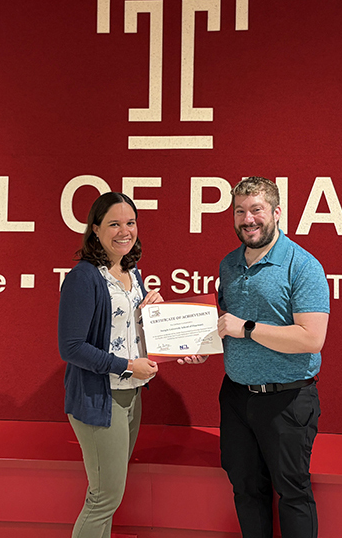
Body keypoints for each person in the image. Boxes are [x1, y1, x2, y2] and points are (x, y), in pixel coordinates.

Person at [58, 191, 204, 537]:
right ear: (95, 229)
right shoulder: (84, 277)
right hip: (100, 398)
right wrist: (126, 365)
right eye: (114, 224)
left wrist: (154, 319)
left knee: (107, 494)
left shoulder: (131, 272)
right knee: (105, 496)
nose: (125, 231)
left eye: (130, 222)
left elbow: (125, 331)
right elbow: (72, 347)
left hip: (130, 397)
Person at [214, 176, 330, 538]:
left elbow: (312, 338)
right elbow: (222, 327)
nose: (248, 219)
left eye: (257, 210)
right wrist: (194, 348)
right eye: (240, 212)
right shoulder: (229, 265)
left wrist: (247, 328)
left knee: (293, 494)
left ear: (276, 213)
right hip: (236, 398)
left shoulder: (303, 265)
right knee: (246, 490)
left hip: (288, 399)